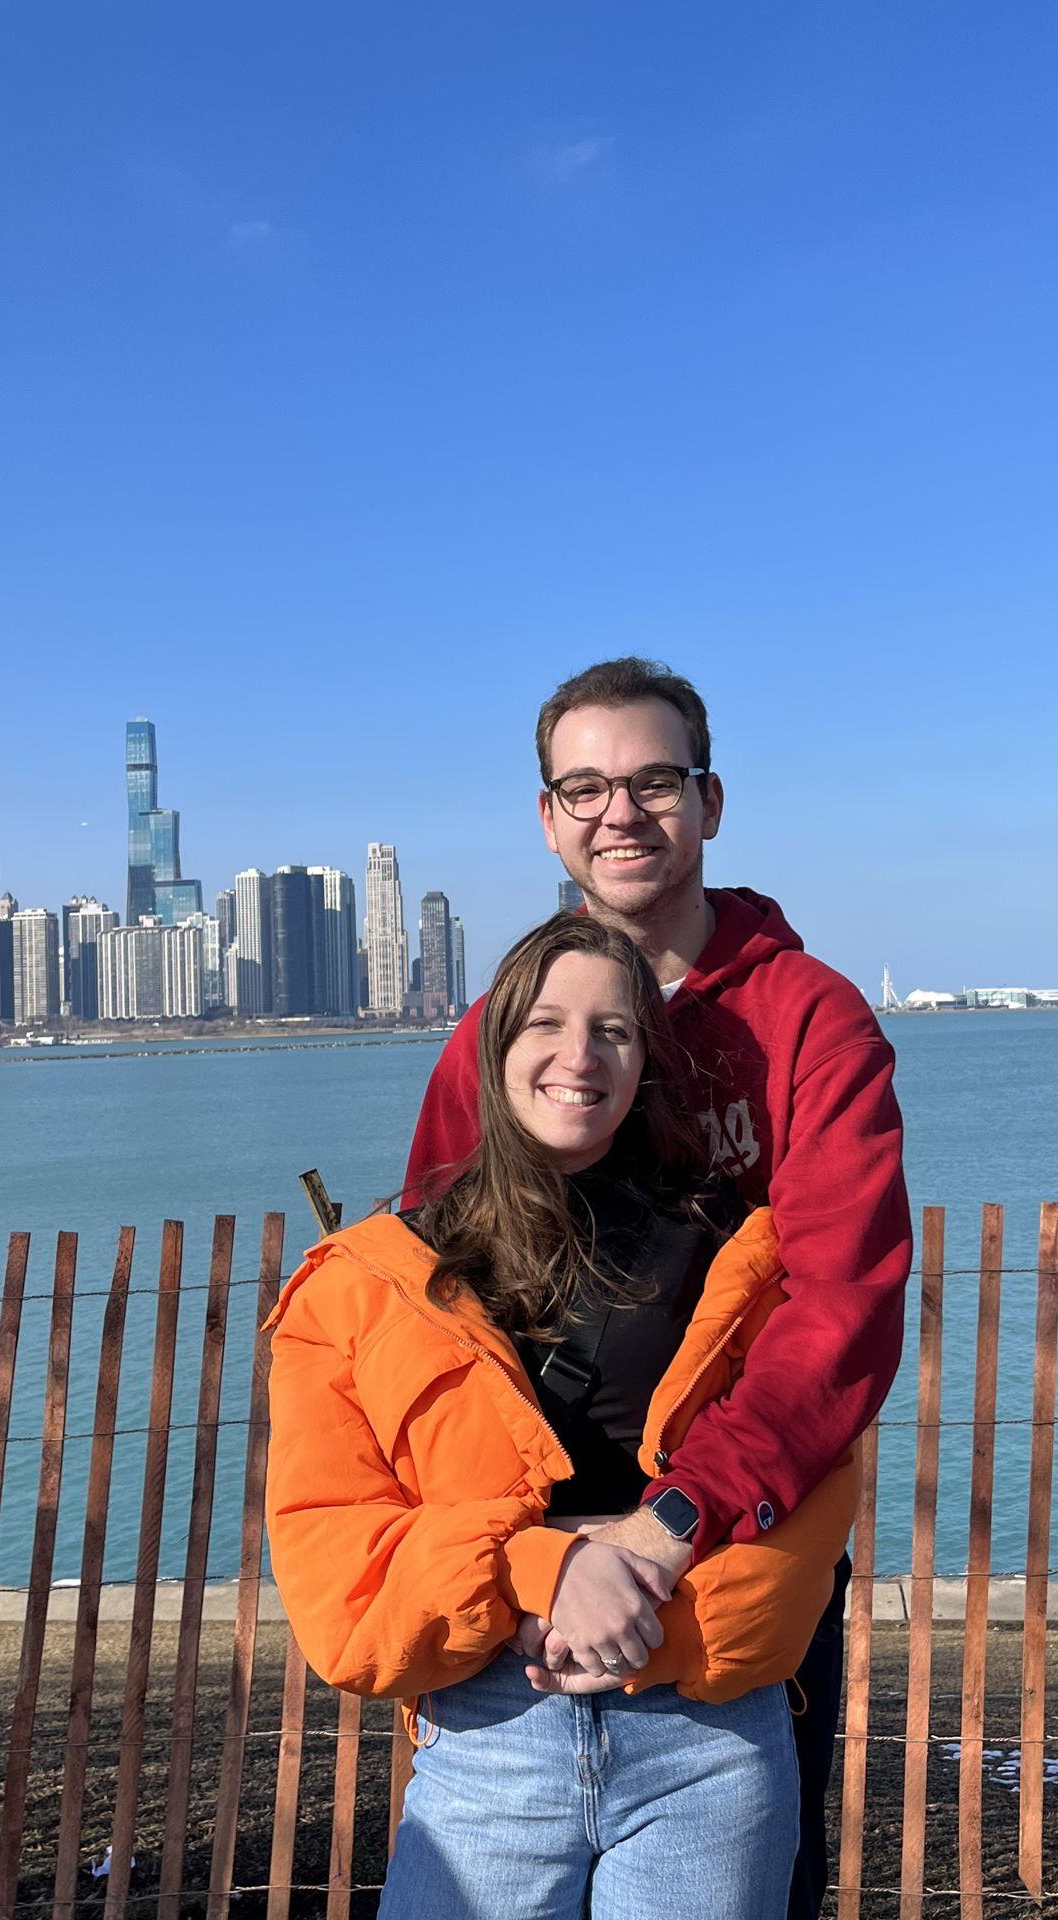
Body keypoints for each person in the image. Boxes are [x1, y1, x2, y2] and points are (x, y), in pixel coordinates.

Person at [405, 657, 913, 1920]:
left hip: (734, 1551)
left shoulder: (808, 1020)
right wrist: (515, 1558)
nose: (617, 811)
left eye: (651, 780)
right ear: (545, 815)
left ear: (710, 798)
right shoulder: (493, 1036)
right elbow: (431, 1310)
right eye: (583, 785)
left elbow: (840, 1309)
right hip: (518, 1580)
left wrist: (674, 1519)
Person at [266, 912, 859, 1918]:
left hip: (705, 1749)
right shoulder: (367, 1282)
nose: (577, 1055)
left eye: (614, 1030)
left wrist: (633, 1606)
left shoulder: (731, 1251)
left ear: (645, 1063)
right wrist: (549, 1567)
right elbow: (335, 1568)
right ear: (492, 1045)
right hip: (486, 1742)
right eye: (545, 1021)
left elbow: (811, 1488)